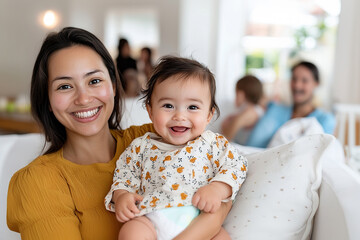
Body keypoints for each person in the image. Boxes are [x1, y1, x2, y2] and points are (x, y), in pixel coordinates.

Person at [6, 27, 232, 240]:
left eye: (94, 81)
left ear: (114, 85)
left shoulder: (155, 139)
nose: (83, 98)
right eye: (65, 86)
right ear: (46, 99)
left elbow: (224, 189)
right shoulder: (38, 182)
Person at [104, 56, 247, 240]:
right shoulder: (140, 146)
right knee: (131, 232)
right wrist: (122, 195)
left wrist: (217, 189)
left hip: (200, 216)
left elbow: (237, 166)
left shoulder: (213, 143)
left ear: (209, 115)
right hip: (152, 217)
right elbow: (124, 174)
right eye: (168, 106)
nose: (180, 115)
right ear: (150, 110)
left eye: (193, 107)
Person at [246, 61, 336, 148]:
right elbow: (252, 145)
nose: (297, 85)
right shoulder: (275, 110)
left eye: (304, 80)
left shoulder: (325, 120)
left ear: (316, 84)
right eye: (294, 79)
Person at [221, 75, 264, 145]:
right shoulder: (256, 110)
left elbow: (225, 139)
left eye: (236, 93)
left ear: (241, 94)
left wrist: (226, 125)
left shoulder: (249, 113)